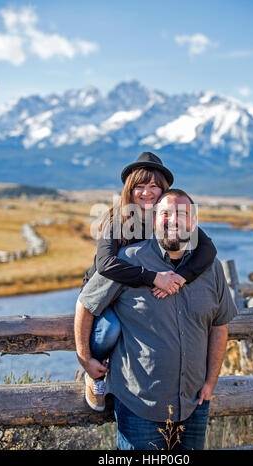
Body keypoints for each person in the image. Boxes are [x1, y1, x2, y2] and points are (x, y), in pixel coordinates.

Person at [75, 189, 238, 450]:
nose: (173, 220)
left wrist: (210, 382)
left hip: (193, 404)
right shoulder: (128, 261)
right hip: (139, 405)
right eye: (165, 213)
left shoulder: (211, 268)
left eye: (181, 214)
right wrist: (84, 357)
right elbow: (86, 304)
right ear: (154, 220)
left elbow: (219, 325)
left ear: (194, 222)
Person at [81, 152, 217, 412]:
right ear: (129, 190)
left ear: (163, 189)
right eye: (139, 186)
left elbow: (208, 249)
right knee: (110, 330)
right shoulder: (118, 218)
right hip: (104, 292)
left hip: (134, 294)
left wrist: (181, 277)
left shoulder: (169, 216)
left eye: (154, 186)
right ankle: (95, 373)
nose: (147, 192)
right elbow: (105, 264)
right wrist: (154, 277)